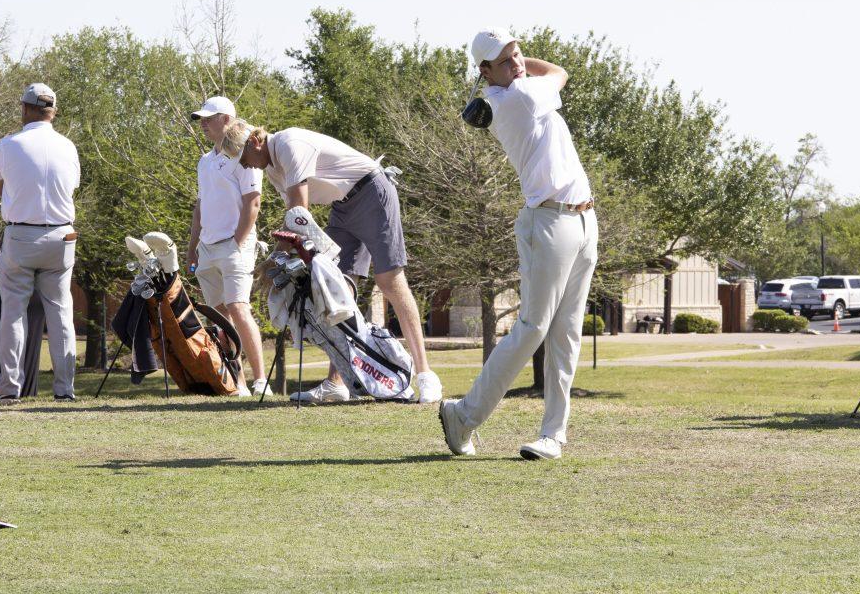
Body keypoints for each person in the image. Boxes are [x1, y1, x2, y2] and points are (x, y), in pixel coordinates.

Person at [439, 28, 598, 460]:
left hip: (584, 219)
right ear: (485, 70)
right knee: (534, 329)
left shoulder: (516, 90)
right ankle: (464, 416)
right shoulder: (520, 100)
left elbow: (548, 73)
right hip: (546, 221)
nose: (519, 64)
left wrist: (515, 61)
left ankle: (553, 435)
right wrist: (517, 71)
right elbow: (560, 72)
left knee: (566, 333)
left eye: (519, 54)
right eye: (506, 61)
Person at [234, 123, 443, 403]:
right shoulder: (271, 168)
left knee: (389, 280)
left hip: (371, 191)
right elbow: (295, 223)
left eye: (244, 159)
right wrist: (279, 258)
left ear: (254, 142)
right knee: (334, 289)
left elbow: (298, 212)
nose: (247, 167)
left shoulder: (288, 143)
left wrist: (275, 260)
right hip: (342, 207)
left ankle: (426, 376)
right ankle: (337, 383)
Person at [0, 83, 81, 402]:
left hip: (22, 235)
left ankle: (10, 387)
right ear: (53, 112)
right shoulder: (68, 146)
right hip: (62, 236)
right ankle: (65, 389)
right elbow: (71, 187)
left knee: (13, 312)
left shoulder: (9, 144)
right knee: (61, 311)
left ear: (25, 109)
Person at [188, 96, 269, 397]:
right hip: (207, 248)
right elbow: (200, 208)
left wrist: (237, 242)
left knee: (238, 307)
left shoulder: (245, 155)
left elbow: (254, 203)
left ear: (227, 119)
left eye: (209, 118)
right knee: (220, 315)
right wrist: (192, 247)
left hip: (236, 245)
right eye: (201, 118)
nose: (203, 123)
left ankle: (261, 381)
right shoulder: (204, 160)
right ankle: (240, 382)